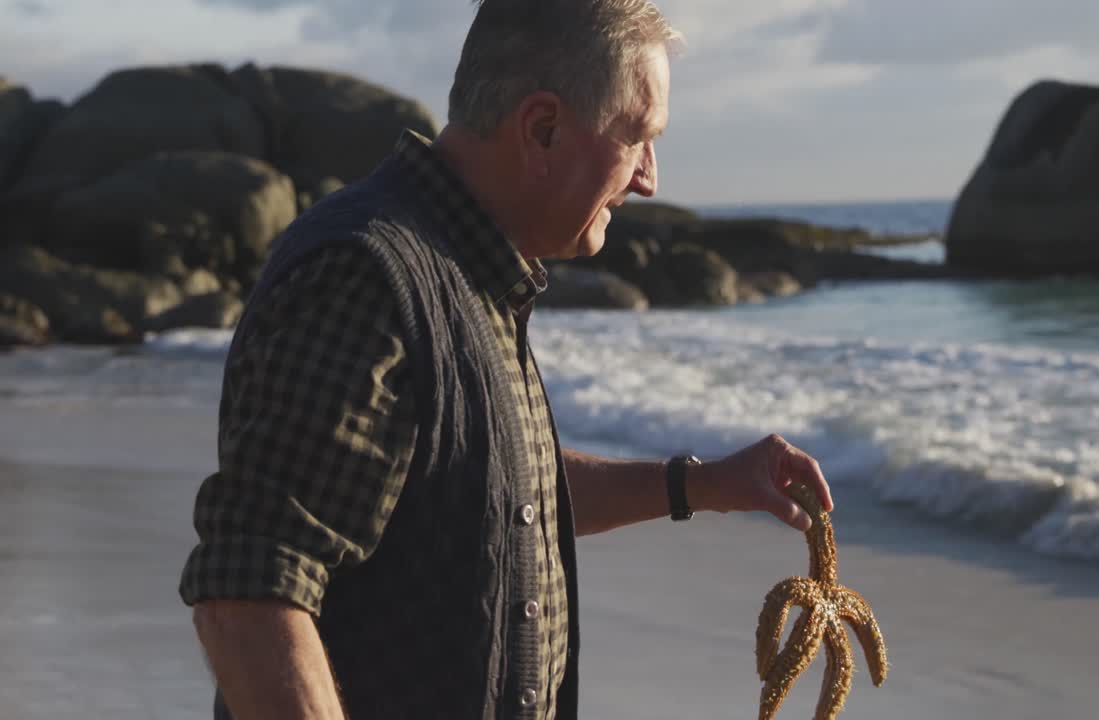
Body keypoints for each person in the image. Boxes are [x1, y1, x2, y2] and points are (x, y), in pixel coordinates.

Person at [178, 1, 834, 718]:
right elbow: (249, 594)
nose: (649, 177)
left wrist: (699, 485)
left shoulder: (471, 272)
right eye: (639, 137)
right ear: (542, 128)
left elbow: (492, 494)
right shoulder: (364, 277)